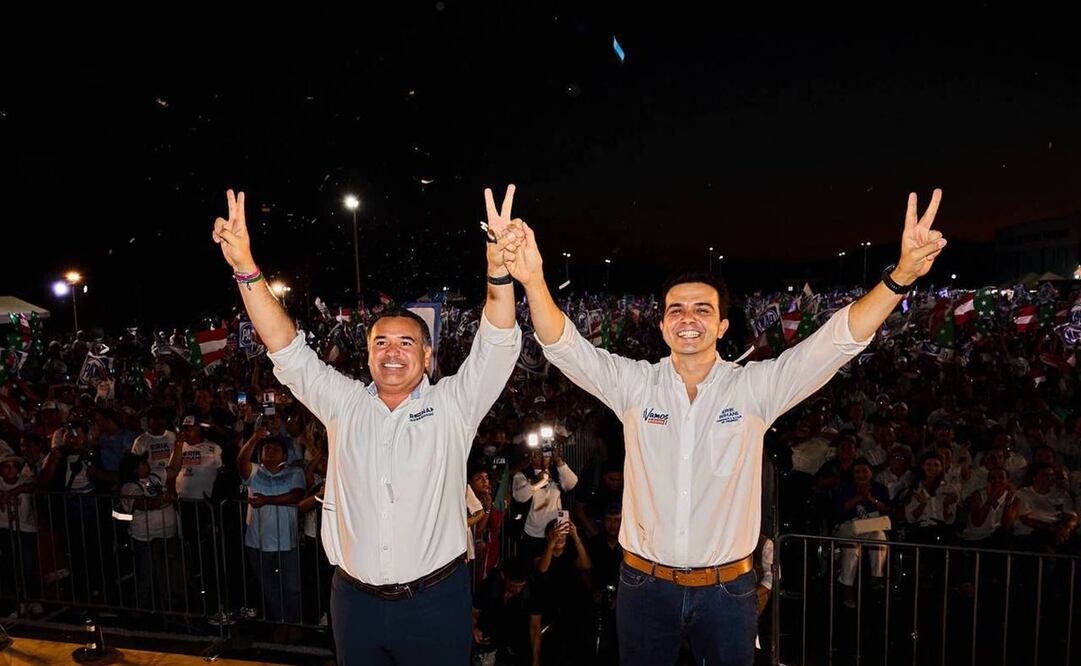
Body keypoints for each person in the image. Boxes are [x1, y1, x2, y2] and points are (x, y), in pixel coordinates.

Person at [501, 189, 946, 665]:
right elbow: (563, 344)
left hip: (727, 592)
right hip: (644, 587)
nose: (687, 318)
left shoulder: (754, 388)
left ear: (721, 326)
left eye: (702, 310)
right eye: (676, 310)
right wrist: (532, 278)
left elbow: (837, 341)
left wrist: (900, 278)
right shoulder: (634, 385)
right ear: (662, 326)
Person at [211, 185, 523, 664]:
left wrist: (498, 270)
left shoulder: (453, 405)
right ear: (369, 352)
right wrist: (245, 269)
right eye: (381, 342)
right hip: (354, 603)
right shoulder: (344, 403)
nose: (392, 352)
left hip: (435, 602)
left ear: (428, 355)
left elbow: (498, 343)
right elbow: (285, 348)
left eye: (405, 342)